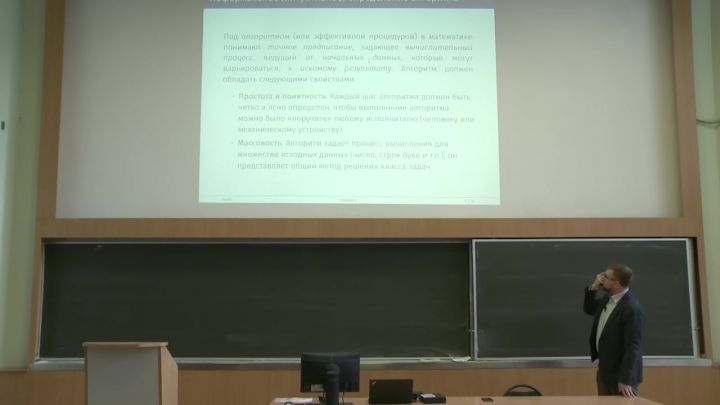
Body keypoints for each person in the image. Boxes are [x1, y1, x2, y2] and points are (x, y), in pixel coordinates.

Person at [583, 263, 645, 398]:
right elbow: (589, 309)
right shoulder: (609, 299)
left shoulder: (631, 309)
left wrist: (626, 380)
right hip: (605, 370)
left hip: (621, 376)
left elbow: (633, 346)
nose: (601, 279)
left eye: (605, 277)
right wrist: (594, 287)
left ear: (616, 283)